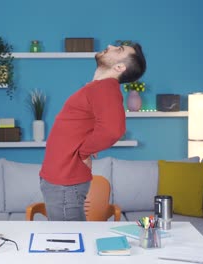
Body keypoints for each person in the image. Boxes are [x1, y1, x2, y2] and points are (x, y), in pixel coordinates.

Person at [39, 42, 147, 221]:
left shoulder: (105, 88)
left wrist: (83, 152)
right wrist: (88, 147)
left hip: (65, 180)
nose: (110, 46)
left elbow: (113, 130)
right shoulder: (98, 88)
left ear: (119, 67)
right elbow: (90, 126)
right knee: (67, 241)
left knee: (67, 242)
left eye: (118, 50)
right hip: (60, 179)